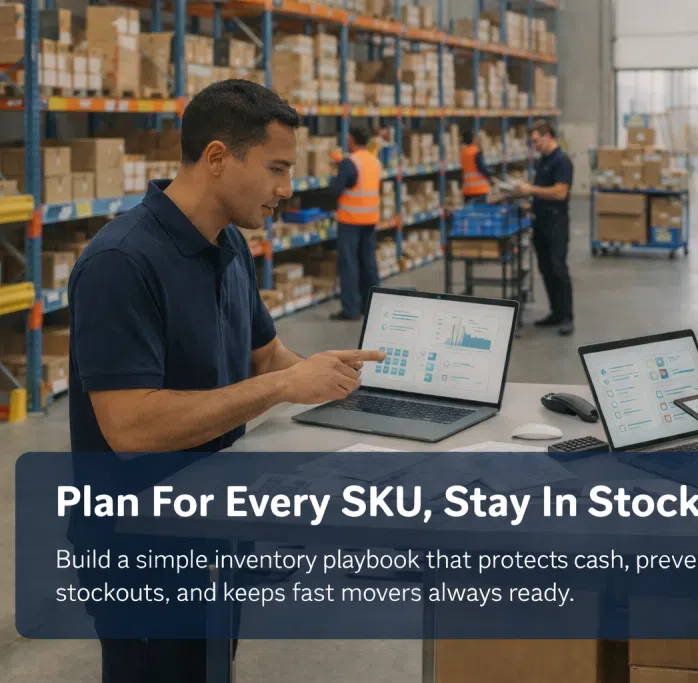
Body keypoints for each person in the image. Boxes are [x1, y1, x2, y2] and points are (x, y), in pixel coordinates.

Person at [67, 79, 385, 682]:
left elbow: (267, 358)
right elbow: (130, 428)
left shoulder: (229, 243)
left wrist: (359, 397)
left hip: (213, 523)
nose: (287, 190)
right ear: (217, 158)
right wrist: (282, 389)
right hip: (140, 548)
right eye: (276, 168)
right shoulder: (121, 264)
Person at [515, 120, 575, 336]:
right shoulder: (543, 162)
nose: (534, 145)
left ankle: (568, 317)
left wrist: (531, 188)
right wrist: (529, 201)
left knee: (559, 268)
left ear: (547, 135)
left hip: (556, 223)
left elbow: (560, 192)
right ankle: (556, 313)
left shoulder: (562, 161)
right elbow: (543, 191)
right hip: (540, 221)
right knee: (546, 269)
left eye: (536, 140)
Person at [329, 125, 382, 321]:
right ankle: (371, 307)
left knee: (349, 264)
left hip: (351, 220)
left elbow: (335, 189)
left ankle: (351, 309)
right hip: (370, 219)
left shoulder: (350, 163)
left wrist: (335, 173)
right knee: (368, 263)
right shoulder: (374, 161)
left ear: (350, 138)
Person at [460, 129, 492, 204]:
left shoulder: (463, 153)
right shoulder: (476, 152)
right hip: (479, 190)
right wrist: (490, 174)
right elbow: (481, 168)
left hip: (467, 190)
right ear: (473, 139)